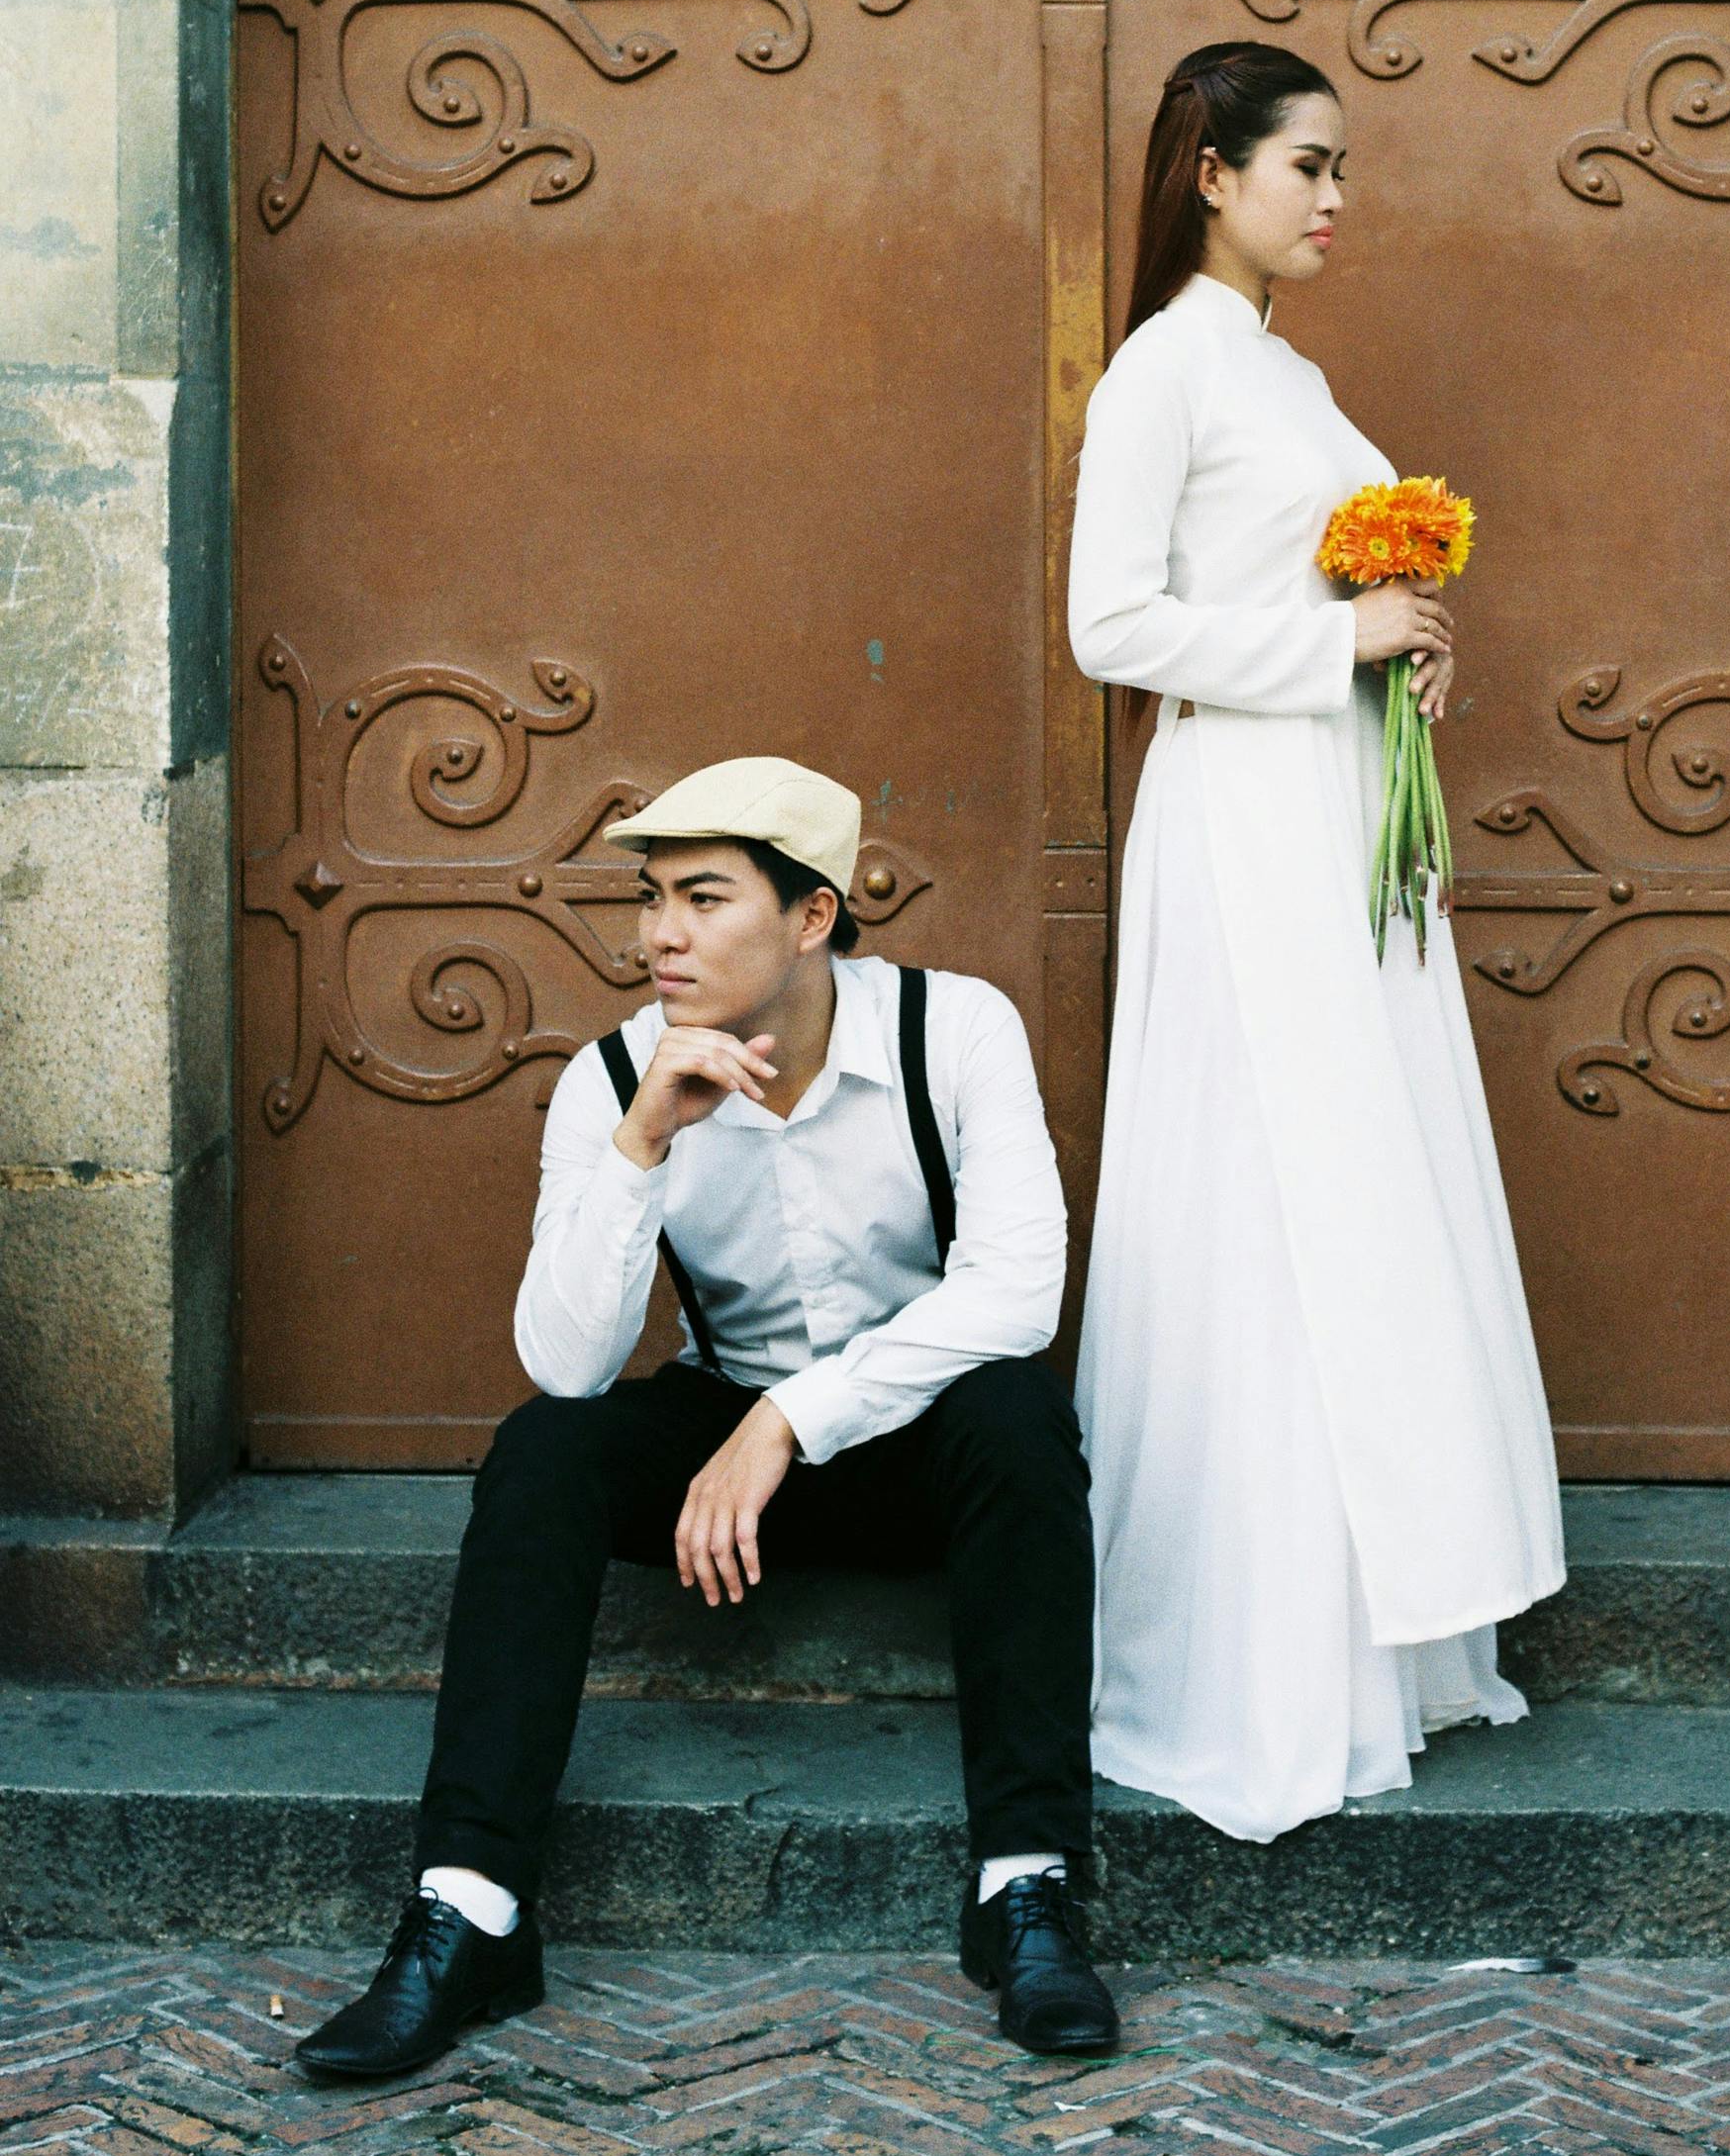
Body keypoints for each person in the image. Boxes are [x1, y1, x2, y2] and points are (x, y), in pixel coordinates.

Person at [297, 756, 1117, 2077]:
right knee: (541, 1453)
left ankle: (1025, 1891)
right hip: (713, 1461)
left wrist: (788, 1416)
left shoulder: (952, 1030)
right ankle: (469, 1912)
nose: (658, 935)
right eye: (651, 898)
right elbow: (566, 1364)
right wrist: (642, 1146)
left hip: (910, 1439)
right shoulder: (615, 1072)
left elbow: (1017, 1293)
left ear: (810, 917)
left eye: (703, 898)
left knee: (1019, 1417)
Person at [1068, 41, 1566, 1843]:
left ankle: (1384, 1617)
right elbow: (1108, 625)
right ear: (1211, 170)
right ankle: (1255, 1666)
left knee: (1353, 1193)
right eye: (1308, 167)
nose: (1337, 199)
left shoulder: (1289, 370)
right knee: (1266, 1195)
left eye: (1346, 168)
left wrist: (1406, 645)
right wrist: (1326, 651)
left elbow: (1309, 589)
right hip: (1242, 831)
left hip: (1338, 827)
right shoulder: (1163, 372)